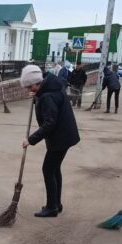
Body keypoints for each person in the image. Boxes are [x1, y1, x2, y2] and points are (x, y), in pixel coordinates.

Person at [20, 65, 80, 218]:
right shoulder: (51, 86)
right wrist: (36, 98)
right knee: (54, 169)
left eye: (29, 86)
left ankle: (52, 207)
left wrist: (31, 140)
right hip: (64, 135)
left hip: (60, 136)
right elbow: (50, 104)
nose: (29, 89)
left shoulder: (47, 96)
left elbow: (49, 123)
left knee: (48, 169)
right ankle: (56, 204)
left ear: (36, 83)